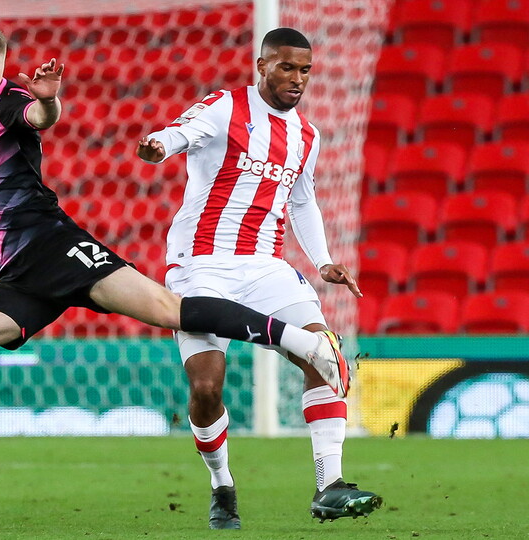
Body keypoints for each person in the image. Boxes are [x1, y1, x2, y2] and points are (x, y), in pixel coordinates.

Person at [0, 22, 349, 485]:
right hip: (20, 275)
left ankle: (300, 342)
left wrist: (49, 98)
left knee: (169, 310)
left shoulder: (11, 102)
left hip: (57, 247)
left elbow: (42, 119)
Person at [136, 28, 381, 528]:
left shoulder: (306, 135)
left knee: (326, 356)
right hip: (201, 264)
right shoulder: (226, 106)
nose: (297, 79)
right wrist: (159, 146)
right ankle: (222, 483)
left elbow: (303, 200)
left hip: (266, 265)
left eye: (305, 70)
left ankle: (329, 485)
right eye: (286, 67)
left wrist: (324, 261)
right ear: (261, 65)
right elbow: (181, 132)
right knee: (206, 388)